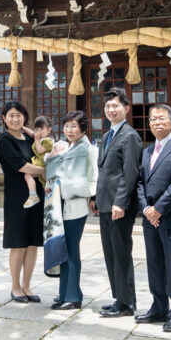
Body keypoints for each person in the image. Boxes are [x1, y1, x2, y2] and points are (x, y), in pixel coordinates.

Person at [135, 103, 171, 333]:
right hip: (151, 219)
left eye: (161, 118)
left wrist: (158, 209)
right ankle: (159, 307)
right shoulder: (147, 152)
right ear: (148, 124)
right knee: (155, 265)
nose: (157, 122)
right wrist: (147, 209)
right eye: (152, 119)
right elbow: (139, 183)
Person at [93, 87, 142, 318]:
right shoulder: (107, 135)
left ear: (126, 109)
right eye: (108, 106)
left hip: (119, 206)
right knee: (110, 253)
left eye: (116, 106)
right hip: (104, 203)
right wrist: (95, 197)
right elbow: (104, 171)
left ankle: (126, 303)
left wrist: (120, 203)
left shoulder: (130, 136)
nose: (111, 110)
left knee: (121, 252)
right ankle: (118, 298)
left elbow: (129, 173)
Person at [43, 110, 97, 310]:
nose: (69, 130)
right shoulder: (69, 148)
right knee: (65, 249)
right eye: (66, 126)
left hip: (74, 205)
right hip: (62, 205)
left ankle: (73, 296)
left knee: (72, 251)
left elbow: (90, 178)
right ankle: (65, 292)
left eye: (74, 126)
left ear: (83, 128)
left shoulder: (85, 149)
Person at [0, 101, 44, 303]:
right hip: (17, 197)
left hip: (37, 194)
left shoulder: (28, 138)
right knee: (18, 243)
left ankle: (27, 285)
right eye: (11, 115)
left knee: (32, 243)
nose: (15, 119)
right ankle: (15, 287)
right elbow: (20, 165)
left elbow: (39, 139)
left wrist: (29, 131)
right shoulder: (4, 139)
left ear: (25, 118)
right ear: (4, 119)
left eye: (19, 115)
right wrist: (45, 171)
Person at [24, 116, 54, 209]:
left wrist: (36, 140)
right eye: (36, 129)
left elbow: (40, 150)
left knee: (47, 184)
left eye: (41, 128)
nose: (38, 131)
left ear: (49, 130)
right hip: (40, 165)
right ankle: (33, 195)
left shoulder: (48, 141)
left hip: (44, 165)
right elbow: (31, 133)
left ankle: (34, 196)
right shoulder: (40, 137)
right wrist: (22, 127)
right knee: (28, 175)